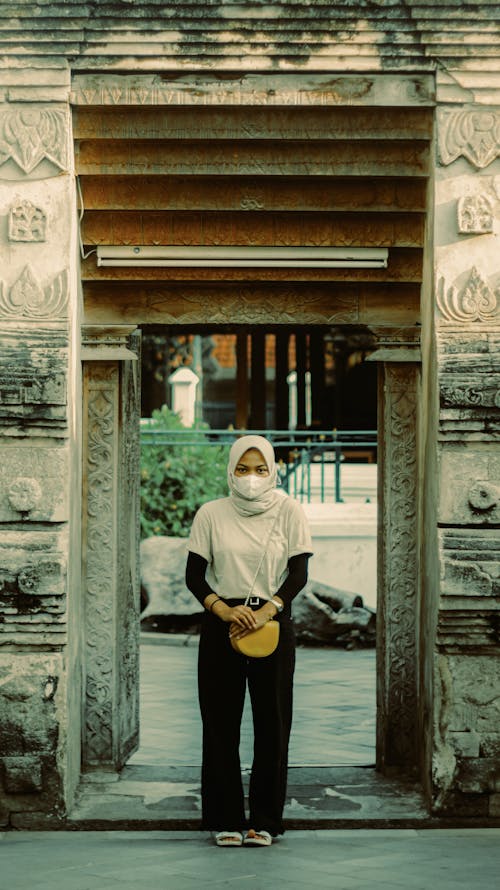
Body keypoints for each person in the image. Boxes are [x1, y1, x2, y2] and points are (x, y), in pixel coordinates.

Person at [185, 434, 313, 847]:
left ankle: (265, 821)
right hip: (222, 625)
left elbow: (298, 574)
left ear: (272, 470)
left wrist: (267, 610)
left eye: (260, 469)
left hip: (271, 624)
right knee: (220, 724)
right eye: (243, 469)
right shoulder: (211, 514)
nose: (251, 478)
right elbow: (194, 575)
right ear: (231, 471)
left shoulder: (289, 510)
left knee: (271, 724)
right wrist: (223, 609)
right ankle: (224, 819)